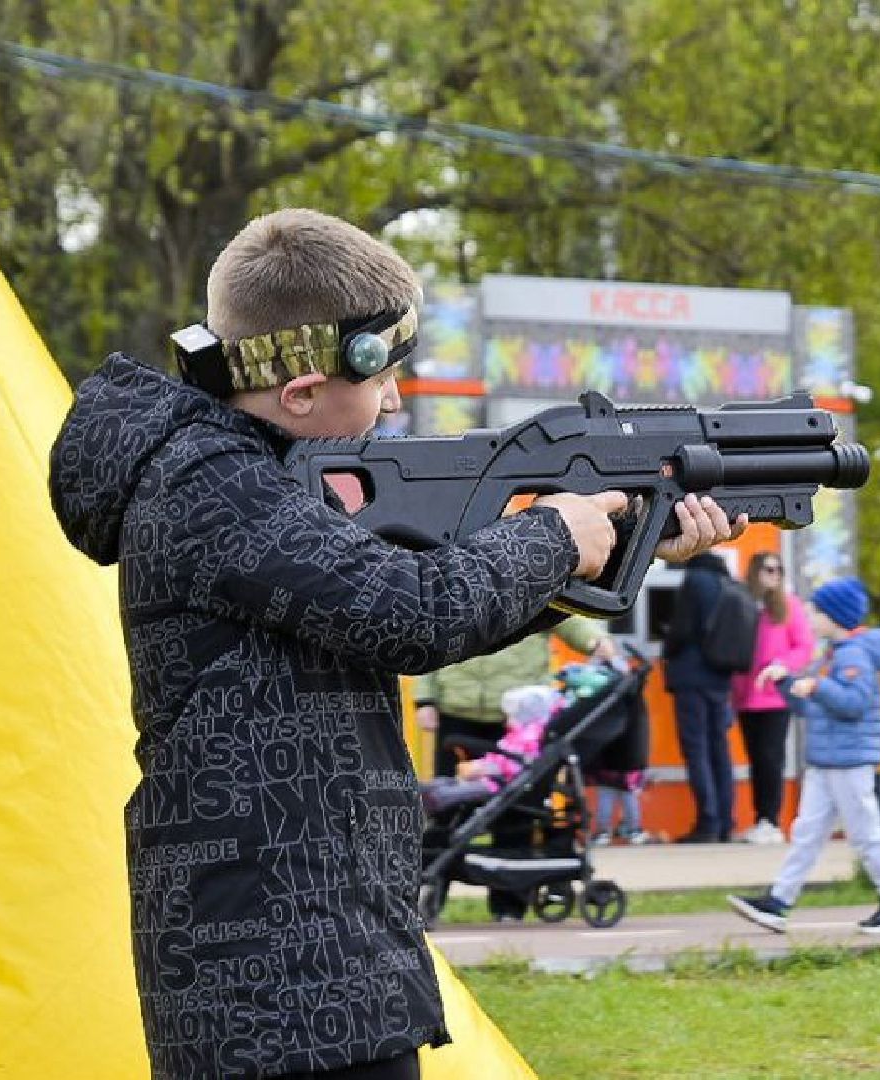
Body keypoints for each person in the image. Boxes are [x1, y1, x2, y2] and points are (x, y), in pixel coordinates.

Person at [48, 207, 741, 1079]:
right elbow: (413, 609)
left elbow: (402, 620)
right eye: (382, 381)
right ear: (301, 390)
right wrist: (556, 535)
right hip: (279, 975)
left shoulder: (240, 476)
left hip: (305, 958)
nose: (396, 401)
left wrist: (616, 547)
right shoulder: (213, 484)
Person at [727, 578, 880, 935]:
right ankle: (779, 901)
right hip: (826, 760)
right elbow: (808, 704)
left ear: (835, 615)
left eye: (816, 610)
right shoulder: (831, 654)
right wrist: (785, 680)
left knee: (865, 833)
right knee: (807, 833)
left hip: (850, 762)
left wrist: (816, 685)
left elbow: (853, 704)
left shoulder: (855, 655)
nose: (809, 616)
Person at [414, 617, 614, 780]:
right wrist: (425, 700)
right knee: (449, 795)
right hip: (455, 710)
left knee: (517, 801)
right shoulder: (452, 585)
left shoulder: (531, 580)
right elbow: (429, 642)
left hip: (519, 720)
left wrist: (595, 640)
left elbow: (567, 618)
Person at [729, 551, 815, 844]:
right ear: (755, 571)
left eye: (778, 570)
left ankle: (771, 820)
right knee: (756, 759)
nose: (774, 575)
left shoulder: (789, 606)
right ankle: (760, 819)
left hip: (774, 697)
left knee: (771, 758)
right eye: (768, 569)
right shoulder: (743, 604)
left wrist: (783, 665)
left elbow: (804, 646)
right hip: (745, 695)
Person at [663, 549, 739, 843]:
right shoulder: (728, 582)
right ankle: (725, 823)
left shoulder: (695, 579)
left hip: (692, 677)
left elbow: (681, 629)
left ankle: (707, 823)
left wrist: (668, 647)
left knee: (697, 749)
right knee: (720, 749)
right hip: (721, 678)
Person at [419, 685, 563, 816]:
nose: (508, 720)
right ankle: (427, 790)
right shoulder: (519, 734)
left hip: (499, 782)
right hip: (493, 776)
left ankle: (434, 798)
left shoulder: (530, 738)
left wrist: (484, 768)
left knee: (453, 792)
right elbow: (502, 755)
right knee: (448, 782)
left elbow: (516, 764)